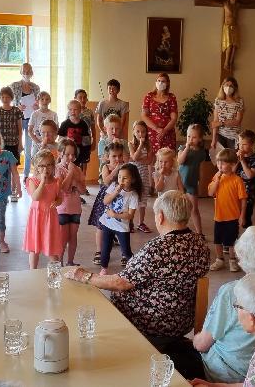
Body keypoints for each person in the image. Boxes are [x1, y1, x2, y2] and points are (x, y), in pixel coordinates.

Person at [66, 190, 210, 379]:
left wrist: (85, 276)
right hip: (181, 320)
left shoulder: (158, 248)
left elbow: (121, 282)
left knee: (88, 310)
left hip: (151, 324)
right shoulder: (199, 244)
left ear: (160, 216)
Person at [192, 226, 255, 383]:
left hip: (224, 374)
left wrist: (194, 340)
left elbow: (203, 344)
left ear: (242, 258)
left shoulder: (232, 292)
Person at [207, 149, 247, 272]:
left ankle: (232, 260)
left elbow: (243, 199)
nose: (219, 165)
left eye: (223, 163)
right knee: (217, 240)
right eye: (218, 162)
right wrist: (217, 180)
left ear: (232, 164)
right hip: (219, 216)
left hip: (233, 216)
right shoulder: (216, 177)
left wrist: (242, 216)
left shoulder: (237, 180)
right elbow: (210, 193)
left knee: (231, 241)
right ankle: (219, 260)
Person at [98, 163, 142, 273]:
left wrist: (115, 215)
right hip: (108, 224)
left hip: (122, 227)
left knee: (126, 251)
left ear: (133, 179)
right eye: (119, 177)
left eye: (125, 178)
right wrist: (116, 192)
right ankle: (104, 268)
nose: (121, 180)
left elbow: (130, 215)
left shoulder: (133, 195)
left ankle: (135, 268)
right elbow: (105, 201)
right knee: (105, 248)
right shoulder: (114, 186)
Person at [24, 149, 62, 269]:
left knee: (50, 247)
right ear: (36, 167)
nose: (46, 168)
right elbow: (35, 197)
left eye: (49, 165)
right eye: (42, 165)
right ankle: (32, 270)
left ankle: (56, 273)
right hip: (36, 217)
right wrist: (42, 182)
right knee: (34, 248)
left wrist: (57, 202)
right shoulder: (32, 181)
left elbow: (60, 198)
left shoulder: (57, 182)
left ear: (53, 166)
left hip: (50, 218)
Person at [88, 142, 126, 266]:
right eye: (114, 156)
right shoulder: (106, 167)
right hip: (106, 198)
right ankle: (99, 251)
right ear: (107, 157)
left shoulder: (125, 167)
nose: (117, 159)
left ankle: (124, 253)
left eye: (120, 156)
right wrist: (117, 169)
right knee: (101, 225)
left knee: (122, 226)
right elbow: (106, 180)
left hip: (120, 199)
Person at [10, 63, 41, 183]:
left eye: (28, 71)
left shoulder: (36, 87)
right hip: (17, 119)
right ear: (20, 72)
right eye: (24, 71)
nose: (26, 73)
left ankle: (26, 175)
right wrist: (17, 106)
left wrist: (36, 106)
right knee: (16, 146)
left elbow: (38, 102)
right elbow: (9, 101)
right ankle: (14, 173)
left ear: (32, 72)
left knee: (29, 149)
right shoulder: (14, 86)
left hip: (30, 120)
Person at [56, 139, 85, 266]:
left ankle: (70, 262)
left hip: (75, 209)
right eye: (67, 154)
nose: (71, 157)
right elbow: (63, 188)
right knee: (62, 239)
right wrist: (71, 173)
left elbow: (83, 190)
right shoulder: (58, 169)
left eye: (73, 154)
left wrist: (76, 182)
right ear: (60, 154)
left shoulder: (78, 169)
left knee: (73, 237)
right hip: (62, 209)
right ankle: (59, 263)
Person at [0, 87, 24, 202]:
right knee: (0, 169)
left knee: (13, 168)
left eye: (7, 97)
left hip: (14, 143)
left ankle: (14, 191)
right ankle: (1, 191)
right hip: (1, 145)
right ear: (0, 97)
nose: (5, 99)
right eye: (3, 97)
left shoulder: (16, 111)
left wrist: (20, 144)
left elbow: (20, 129)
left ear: (11, 98)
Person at [178, 124, 208, 235]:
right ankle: (178, 229)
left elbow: (201, 169)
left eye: (194, 137)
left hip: (192, 184)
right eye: (189, 136)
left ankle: (199, 232)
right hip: (180, 182)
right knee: (179, 207)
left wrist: (201, 183)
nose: (190, 139)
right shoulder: (182, 148)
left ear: (200, 138)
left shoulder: (201, 152)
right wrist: (186, 148)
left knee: (194, 209)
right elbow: (180, 161)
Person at [141, 73, 178, 153]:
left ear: (167, 83)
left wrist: (164, 131)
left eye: (163, 81)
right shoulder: (149, 96)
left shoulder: (172, 97)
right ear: (156, 82)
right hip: (152, 133)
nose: (160, 83)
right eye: (159, 81)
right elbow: (144, 116)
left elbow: (174, 118)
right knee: (152, 157)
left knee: (168, 157)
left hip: (168, 133)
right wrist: (157, 129)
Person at [129, 121, 154, 233]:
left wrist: (138, 159)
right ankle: (130, 222)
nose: (140, 133)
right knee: (132, 199)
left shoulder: (149, 144)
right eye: (138, 131)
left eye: (143, 131)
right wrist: (139, 145)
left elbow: (149, 161)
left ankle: (141, 222)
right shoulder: (131, 144)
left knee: (142, 200)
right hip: (134, 176)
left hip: (143, 175)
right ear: (134, 131)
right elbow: (134, 157)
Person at [58, 100, 92, 181]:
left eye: (75, 109)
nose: (73, 112)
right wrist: (67, 139)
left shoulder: (83, 124)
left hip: (78, 154)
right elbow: (60, 139)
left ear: (80, 110)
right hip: (67, 153)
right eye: (70, 109)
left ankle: (75, 185)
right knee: (66, 170)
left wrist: (87, 153)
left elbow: (87, 141)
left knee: (76, 170)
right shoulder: (64, 124)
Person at [235, 130, 255, 228]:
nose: (240, 146)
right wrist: (237, 160)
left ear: (252, 144)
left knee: (246, 220)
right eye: (239, 143)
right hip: (235, 193)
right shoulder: (236, 156)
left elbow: (250, 175)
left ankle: (247, 239)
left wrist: (242, 161)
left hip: (248, 194)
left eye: (244, 144)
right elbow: (231, 172)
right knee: (234, 218)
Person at [211, 77, 244, 150]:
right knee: (221, 158)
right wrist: (213, 140)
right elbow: (215, 122)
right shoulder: (218, 101)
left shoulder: (239, 101)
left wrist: (221, 123)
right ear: (222, 86)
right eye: (226, 85)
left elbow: (237, 121)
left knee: (232, 159)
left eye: (231, 86)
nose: (228, 88)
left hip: (233, 136)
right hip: (220, 135)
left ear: (235, 88)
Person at [72, 89, 95, 190]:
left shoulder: (89, 112)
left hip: (86, 140)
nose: (82, 99)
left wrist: (93, 141)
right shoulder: (71, 111)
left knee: (84, 163)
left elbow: (93, 128)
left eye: (84, 97)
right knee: (75, 162)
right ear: (75, 99)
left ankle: (83, 184)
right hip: (74, 141)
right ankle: (74, 185)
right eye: (80, 97)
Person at [27, 92, 59, 161]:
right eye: (42, 99)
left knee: (51, 161)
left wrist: (52, 140)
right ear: (38, 101)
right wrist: (38, 142)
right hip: (37, 143)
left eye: (47, 99)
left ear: (50, 100)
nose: (45, 101)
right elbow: (29, 131)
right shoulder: (35, 114)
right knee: (36, 161)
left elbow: (57, 130)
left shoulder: (53, 114)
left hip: (51, 144)